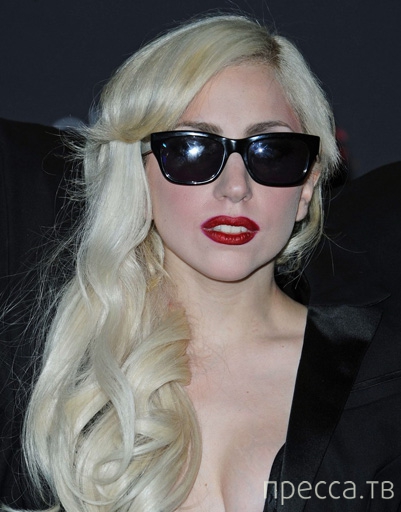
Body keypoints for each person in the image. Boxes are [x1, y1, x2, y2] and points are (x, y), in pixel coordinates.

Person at [2, 14, 400, 512]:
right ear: (137, 175)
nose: (235, 188)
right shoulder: (62, 374)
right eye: (193, 149)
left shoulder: (383, 372)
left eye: (271, 152)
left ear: (306, 186)